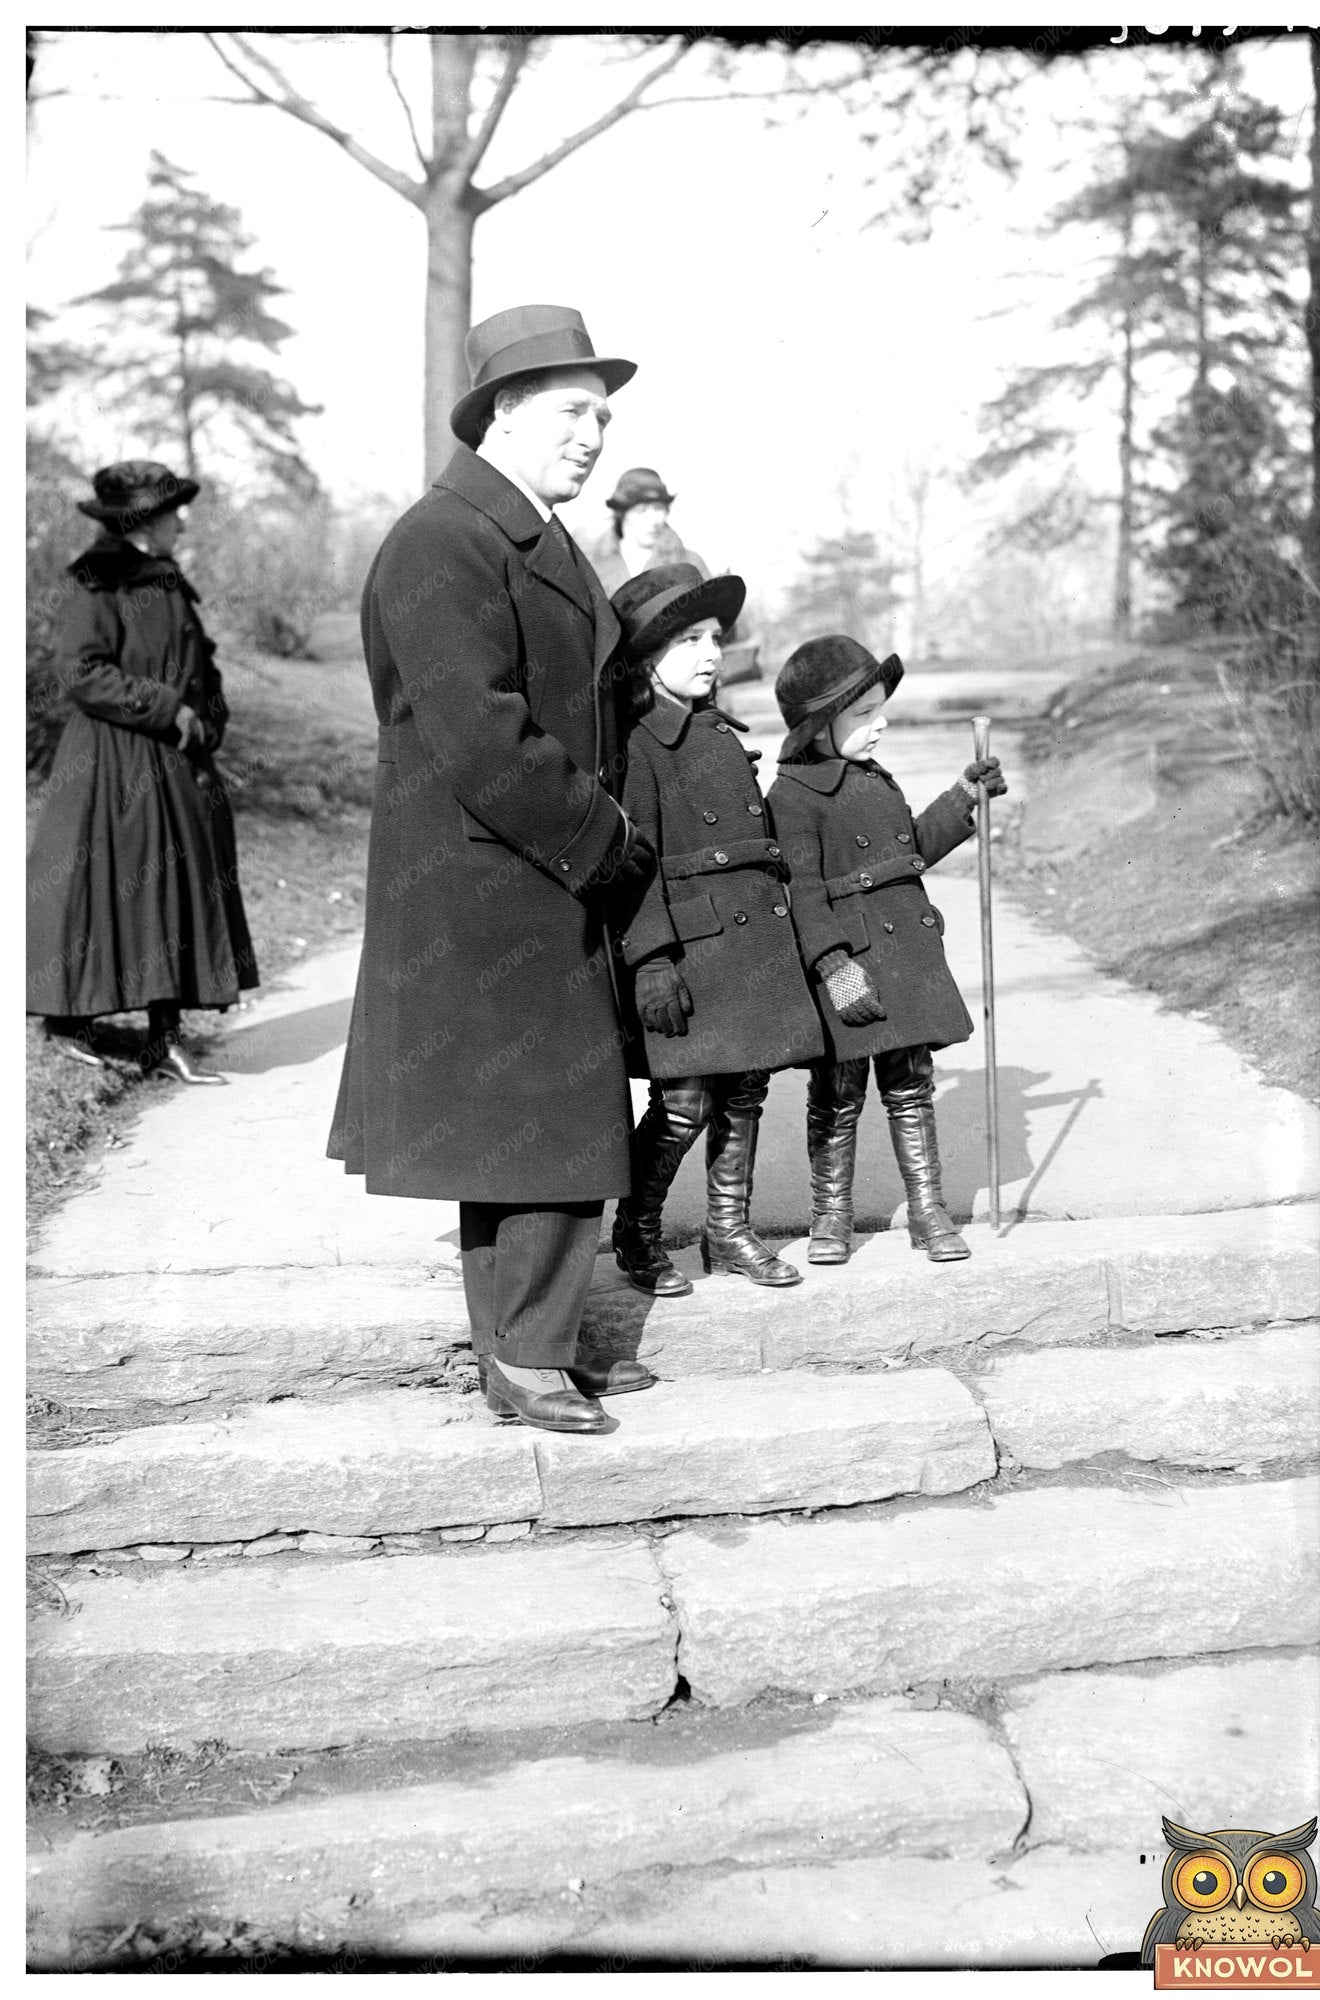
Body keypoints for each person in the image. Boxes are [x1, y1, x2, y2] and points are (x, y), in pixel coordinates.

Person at [327, 304, 658, 1438]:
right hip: (492, 875)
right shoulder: (445, 540)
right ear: (504, 414)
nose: (593, 435)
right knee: (541, 1118)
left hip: (522, 865)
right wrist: (607, 840)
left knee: (536, 1122)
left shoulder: (530, 535)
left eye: (604, 416)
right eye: (572, 412)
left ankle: (531, 1346)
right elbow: (480, 735)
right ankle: (526, 1355)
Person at [608, 565, 823, 1295]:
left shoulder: (718, 734)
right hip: (691, 954)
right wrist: (652, 959)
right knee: (684, 1104)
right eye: (689, 639)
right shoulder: (637, 744)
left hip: (748, 949)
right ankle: (637, 1232)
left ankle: (728, 1233)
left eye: (716, 639)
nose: (710, 653)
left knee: (745, 1092)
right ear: (644, 658)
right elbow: (632, 862)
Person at [767, 636, 1006, 1264]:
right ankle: (830, 1216)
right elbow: (803, 894)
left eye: (881, 708)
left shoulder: (876, 781)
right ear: (819, 727)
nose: (882, 722)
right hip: (849, 967)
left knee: (910, 1089)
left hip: (903, 965)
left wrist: (962, 801)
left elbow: (908, 855)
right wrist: (835, 967)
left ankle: (929, 1212)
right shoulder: (791, 797)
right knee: (837, 1095)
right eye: (864, 713)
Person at [26, 461, 257, 1083]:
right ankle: (68, 1022)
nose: (182, 519)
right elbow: (80, 672)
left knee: (173, 889)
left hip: (171, 759)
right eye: (171, 510)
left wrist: (209, 715)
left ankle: (165, 1035)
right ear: (141, 521)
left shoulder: (167, 578)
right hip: (110, 759)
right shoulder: (97, 580)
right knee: (104, 888)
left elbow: (198, 661)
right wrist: (164, 709)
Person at [587, 467, 709, 596]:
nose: (653, 519)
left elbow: (708, 611)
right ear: (622, 514)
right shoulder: (591, 562)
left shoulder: (689, 563)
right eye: (641, 510)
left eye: (658, 509)